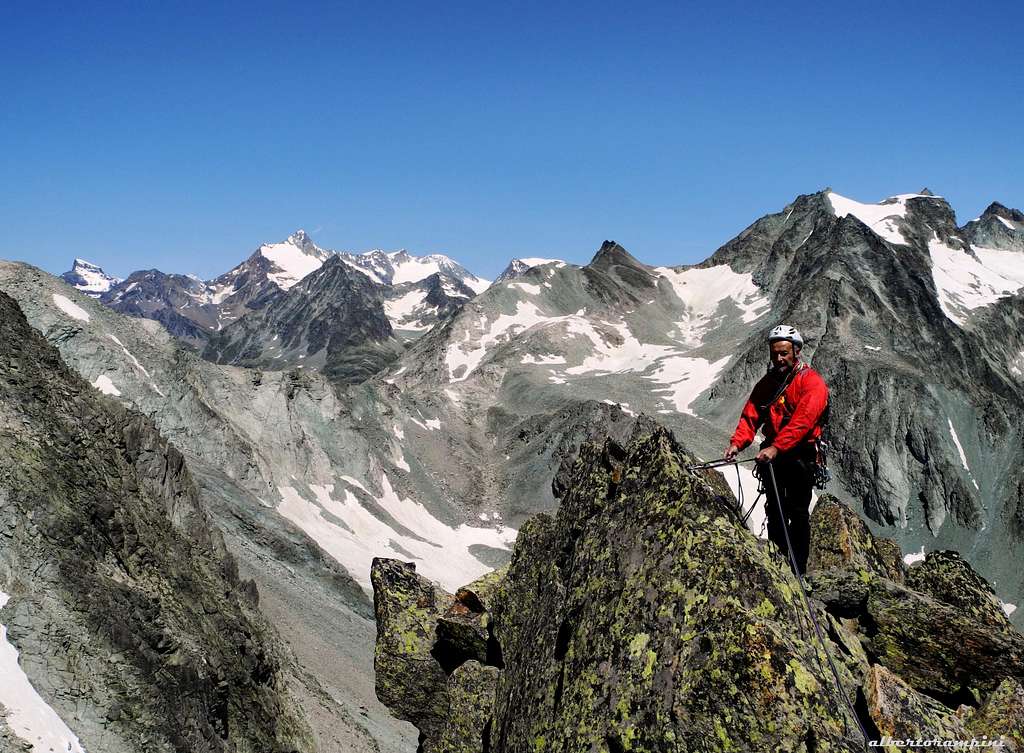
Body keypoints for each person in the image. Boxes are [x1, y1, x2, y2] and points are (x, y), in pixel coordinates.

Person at [724, 325, 829, 575]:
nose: (779, 359)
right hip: (774, 455)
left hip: (800, 456)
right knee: (774, 510)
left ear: (797, 351)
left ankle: (798, 570)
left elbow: (803, 422)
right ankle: (779, 564)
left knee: (797, 512)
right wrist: (737, 443)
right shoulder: (768, 384)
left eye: (784, 353)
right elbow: (751, 416)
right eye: (775, 354)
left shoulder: (812, 383)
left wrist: (776, 447)